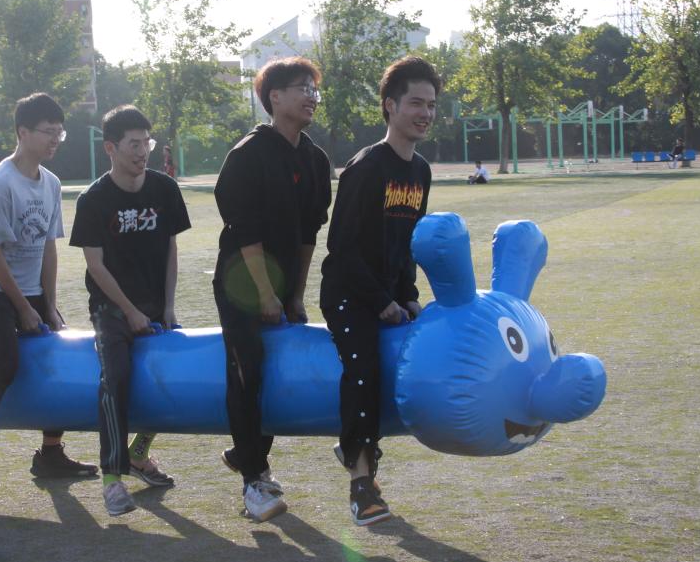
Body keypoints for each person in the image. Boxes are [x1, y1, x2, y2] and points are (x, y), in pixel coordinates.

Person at [0, 95, 97, 507]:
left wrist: (48, 304)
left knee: (56, 357)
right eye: (48, 132)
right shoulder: (0, 184)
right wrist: (24, 308)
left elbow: (48, 247)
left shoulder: (51, 183)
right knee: (3, 367)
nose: (56, 139)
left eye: (60, 132)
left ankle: (50, 454)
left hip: (31, 289)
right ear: (22, 132)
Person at [320, 55, 440, 526]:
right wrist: (381, 302)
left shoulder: (421, 171)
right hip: (348, 294)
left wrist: (408, 295)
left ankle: (356, 448)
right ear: (390, 105)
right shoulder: (366, 167)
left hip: (390, 295)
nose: (425, 113)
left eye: (431, 105)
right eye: (416, 103)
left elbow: (408, 243)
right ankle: (361, 484)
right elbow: (342, 249)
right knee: (364, 370)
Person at [213, 56, 332, 522]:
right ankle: (253, 481)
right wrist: (264, 294)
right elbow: (245, 233)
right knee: (247, 367)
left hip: (281, 286)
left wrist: (295, 295)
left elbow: (308, 235)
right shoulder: (247, 155)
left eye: (314, 89)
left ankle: (246, 453)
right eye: (302, 88)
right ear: (274, 97)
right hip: (241, 281)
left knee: (277, 369)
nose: (311, 97)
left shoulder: (315, 160)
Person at [69, 105, 191, 516]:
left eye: (147, 143)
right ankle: (112, 479)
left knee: (171, 375)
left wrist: (168, 306)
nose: (143, 152)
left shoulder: (164, 189)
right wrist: (130, 311)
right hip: (112, 309)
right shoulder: (93, 199)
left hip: (156, 305)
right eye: (133, 144)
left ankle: (140, 452)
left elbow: (171, 249)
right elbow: (95, 265)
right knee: (116, 379)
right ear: (111, 148)